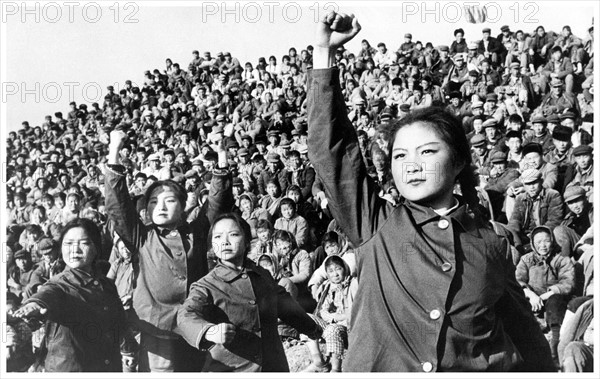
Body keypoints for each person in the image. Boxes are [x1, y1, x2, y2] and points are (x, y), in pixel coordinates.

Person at [307, 11, 554, 371]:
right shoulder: (376, 225)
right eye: (400, 155)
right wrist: (324, 54)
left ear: (457, 163)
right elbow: (331, 153)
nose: (411, 165)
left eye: (426, 152)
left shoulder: (491, 243)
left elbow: (526, 338)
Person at [104, 129, 234, 372]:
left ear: (183, 205)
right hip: (156, 327)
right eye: (153, 201)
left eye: (169, 200)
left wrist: (222, 154)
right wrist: (114, 149)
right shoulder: (141, 235)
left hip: (197, 323)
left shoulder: (195, 232)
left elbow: (218, 203)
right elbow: (117, 204)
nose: (160, 206)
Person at [176, 213, 326, 372]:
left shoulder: (262, 275)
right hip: (232, 369)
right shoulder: (207, 285)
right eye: (218, 237)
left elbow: (286, 306)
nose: (225, 242)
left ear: (247, 240)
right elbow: (185, 315)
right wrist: (208, 331)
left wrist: (313, 329)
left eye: (233, 234)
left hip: (273, 366)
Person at [11, 218, 138, 372]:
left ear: (96, 247)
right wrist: (34, 305)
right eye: (68, 243)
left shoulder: (107, 285)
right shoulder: (59, 284)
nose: (75, 250)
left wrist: (128, 350)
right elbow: (46, 294)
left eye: (83, 243)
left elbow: (119, 323)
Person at [516, 226, 575, 364]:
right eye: (538, 242)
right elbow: (517, 280)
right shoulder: (526, 260)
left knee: (555, 301)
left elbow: (568, 283)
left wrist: (545, 295)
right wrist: (530, 294)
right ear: (532, 244)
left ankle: (554, 343)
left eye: (546, 241)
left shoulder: (562, 260)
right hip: (531, 299)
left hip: (552, 300)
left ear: (552, 241)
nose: (542, 245)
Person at [311, 255, 358, 372]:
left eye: (338, 269)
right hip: (332, 322)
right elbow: (322, 311)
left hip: (348, 327)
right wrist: (333, 317)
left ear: (345, 268)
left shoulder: (353, 283)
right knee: (306, 318)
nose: (335, 274)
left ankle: (336, 369)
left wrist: (336, 317)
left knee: (332, 329)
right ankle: (319, 360)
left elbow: (355, 312)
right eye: (330, 271)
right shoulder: (327, 286)